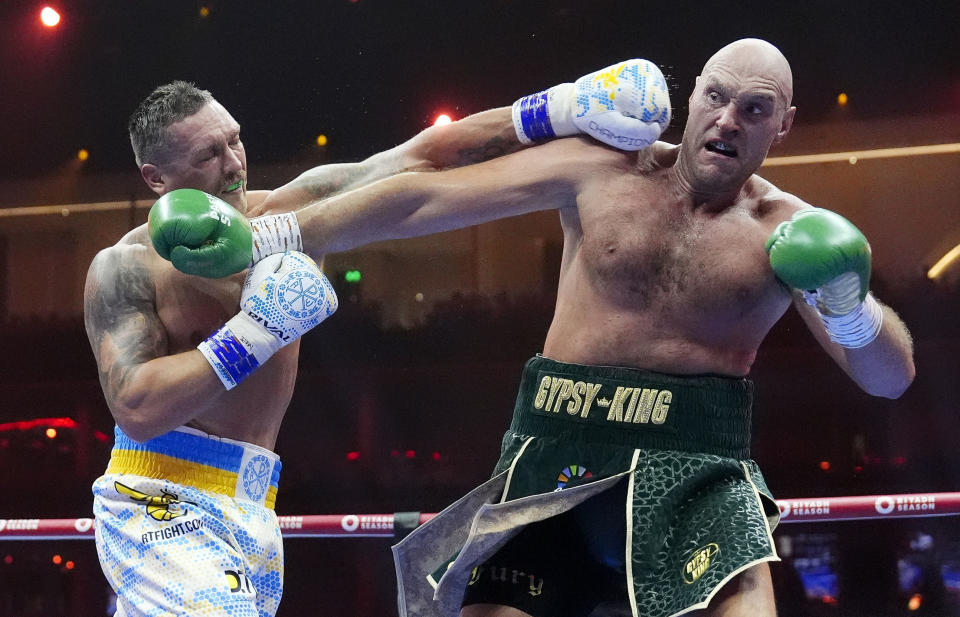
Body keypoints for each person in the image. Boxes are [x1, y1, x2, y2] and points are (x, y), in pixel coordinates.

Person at [152, 39, 915, 617]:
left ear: (782, 124)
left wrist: (852, 306)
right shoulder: (602, 169)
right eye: (715, 96)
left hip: (697, 472)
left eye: (753, 110)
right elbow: (427, 197)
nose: (726, 120)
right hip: (555, 454)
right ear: (693, 98)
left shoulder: (793, 233)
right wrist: (273, 236)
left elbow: (889, 376)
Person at [83, 62, 667, 617]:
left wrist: (560, 108)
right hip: (159, 497)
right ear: (155, 178)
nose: (234, 164)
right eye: (207, 155)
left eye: (233, 140)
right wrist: (256, 331)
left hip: (253, 501)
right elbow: (136, 405)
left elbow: (418, 158)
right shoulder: (126, 267)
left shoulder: (285, 221)